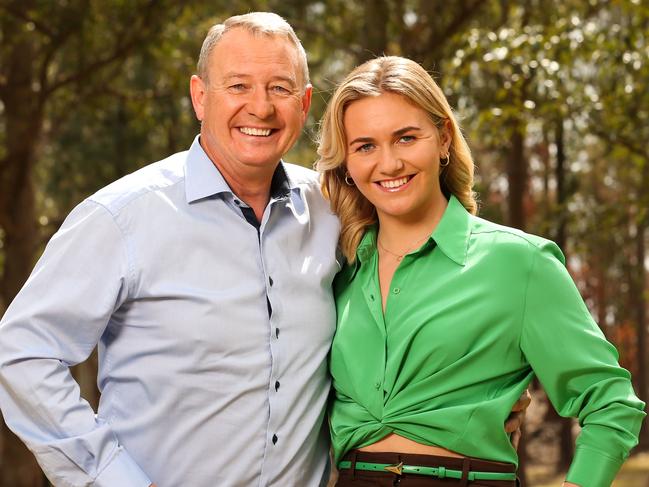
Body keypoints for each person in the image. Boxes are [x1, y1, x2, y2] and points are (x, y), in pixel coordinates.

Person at [0, 12, 340, 487]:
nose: (260, 108)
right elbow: (21, 352)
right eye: (238, 86)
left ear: (304, 104)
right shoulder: (123, 216)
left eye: (280, 89)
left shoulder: (331, 212)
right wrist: (113, 479)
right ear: (200, 96)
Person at [317, 56, 645, 487]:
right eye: (365, 146)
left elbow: (611, 404)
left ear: (444, 139)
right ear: (346, 163)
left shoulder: (518, 262)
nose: (389, 163)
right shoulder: (338, 271)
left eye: (406, 137)